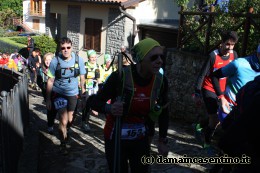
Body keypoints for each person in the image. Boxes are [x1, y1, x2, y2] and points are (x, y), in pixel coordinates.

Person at [89, 38, 169, 172]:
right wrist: (110, 108)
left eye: (162, 57)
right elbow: (94, 101)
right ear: (141, 59)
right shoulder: (120, 77)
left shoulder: (161, 81)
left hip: (140, 138)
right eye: (154, 57)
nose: (159, 61)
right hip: (116, 136)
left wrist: (162, 140)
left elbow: (164, 111)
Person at [193, 31, 238, 150]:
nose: (229, 48)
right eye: (227, 44)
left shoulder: (234, 56)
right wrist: (197, 92)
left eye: (232, 45)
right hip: (209, 88)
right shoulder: (213, 56)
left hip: (223, 90)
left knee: (219, 116)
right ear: (221, 43)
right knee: (214, 118)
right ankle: (207, 143)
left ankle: (200, 125)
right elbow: (202, 75)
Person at [46, 37, 86, 152]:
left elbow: (82, 77)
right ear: (60, 48)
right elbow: (50, 80)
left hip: (73, 93)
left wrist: (83, 92)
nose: (66, 50)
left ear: (72, 47)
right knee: (63, 120)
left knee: (70, 120)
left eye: (68, 47)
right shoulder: (55, 61)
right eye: (63, 48)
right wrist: (48, 99)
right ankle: (63, 143)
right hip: (58, 93)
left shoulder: (79, 60)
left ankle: (65, 130)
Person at [212, 44, 260, 121]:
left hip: (248, 114)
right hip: (229, 110)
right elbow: (214, 76)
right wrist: (221, 98)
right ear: (258, 53)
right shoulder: (239, 64)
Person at [81, 49, 101, 132]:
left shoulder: (97, 66)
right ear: (88, 58)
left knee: (92, 104)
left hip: (94, 89)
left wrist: (98, 82)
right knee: (86, 106)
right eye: (92, 57)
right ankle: (85, 122)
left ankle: (86, 119)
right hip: (86, 89)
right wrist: (83, 87)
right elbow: (82, 79)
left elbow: (98, 78)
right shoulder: (85, 66)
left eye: (95, 57)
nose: (94, 59)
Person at [37, 52, 56, 134]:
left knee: (56, 109)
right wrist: (44, 87)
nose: (48, 61)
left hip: (57, 91)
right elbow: (39, 82)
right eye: (46, 60)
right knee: (50, 109)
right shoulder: (41, 70)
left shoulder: (56, 69)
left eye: (50, 59)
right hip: (47, 92)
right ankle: (50, 125)